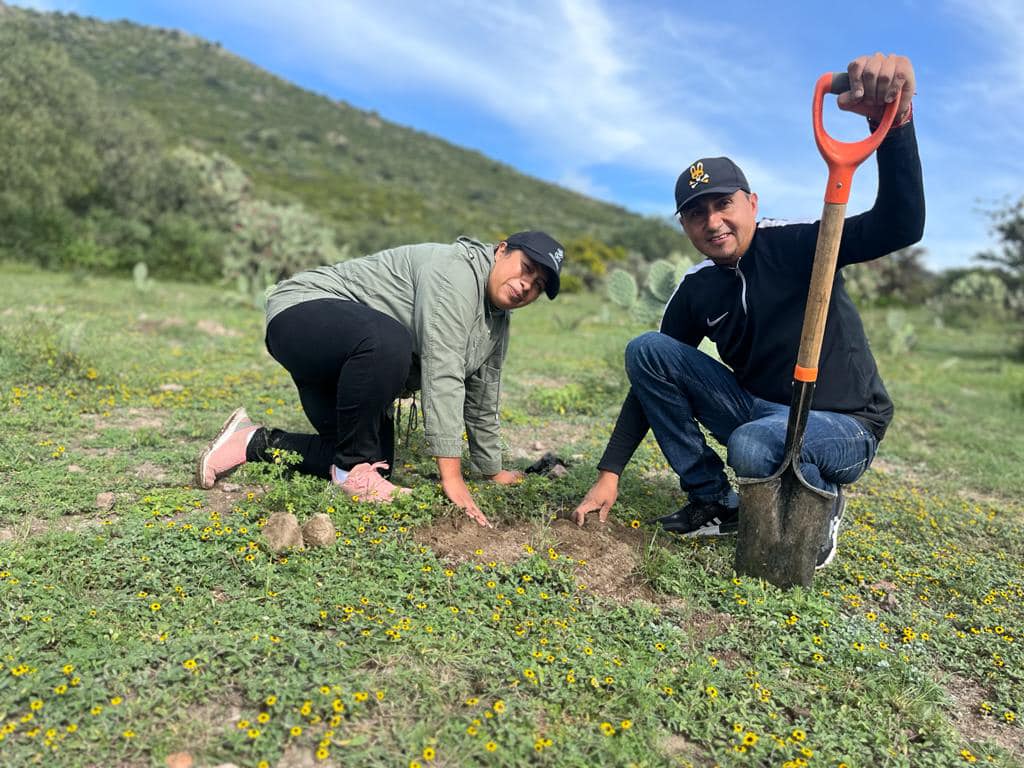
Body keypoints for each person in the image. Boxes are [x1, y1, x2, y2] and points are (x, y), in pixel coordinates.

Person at [573, 53, 924, 568]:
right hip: (758, 409)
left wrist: (893, 124)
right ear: (685, 227)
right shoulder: (696, 289)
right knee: (649, 350)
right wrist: (610, 472)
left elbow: (902, 224)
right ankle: (714, 500)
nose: (712, 222)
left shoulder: (804, 242)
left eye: (723, 205)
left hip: (844, 422)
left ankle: (821, 502)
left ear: (752, 204)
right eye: (696, 214)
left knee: (755, 447)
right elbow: (649, 382)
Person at [196, 231, 566, 526]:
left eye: (536, 286)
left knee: (373, 461)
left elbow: (484, 396)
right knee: (391, 341)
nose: (525, 285)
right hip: (302, 316)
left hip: (347, 363)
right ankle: (350, 471)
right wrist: (451, 478)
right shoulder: (457, 271)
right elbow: (443, 371)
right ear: (501, 251)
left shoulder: (496, 324)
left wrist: (491, 471)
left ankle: (250, 442)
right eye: (525, 268)